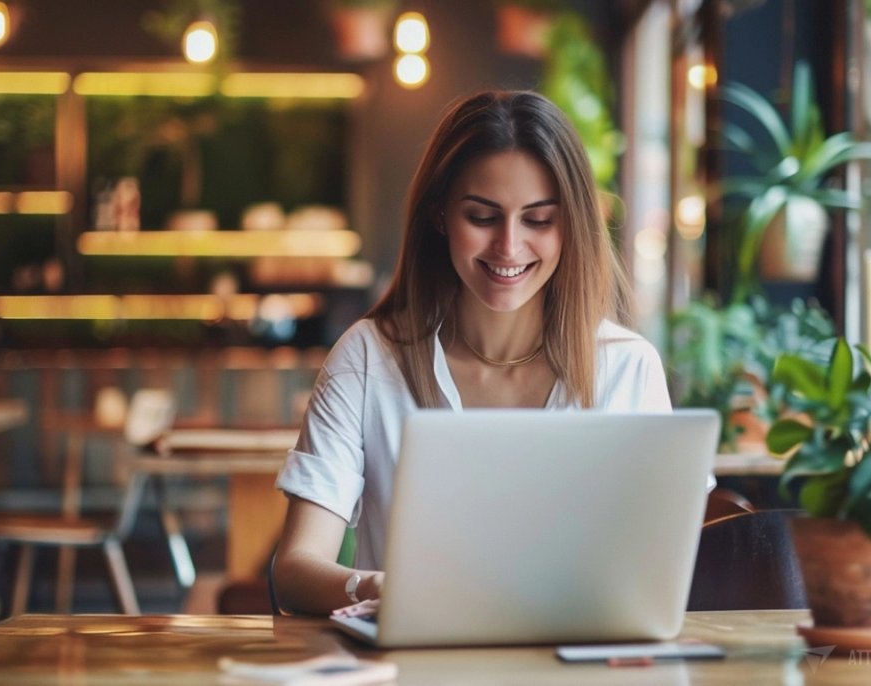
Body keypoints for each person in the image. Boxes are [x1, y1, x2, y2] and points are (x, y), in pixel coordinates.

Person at [273, 90, 672, 616]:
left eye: (538, 220)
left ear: (571, 225)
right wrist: (372, 588)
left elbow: (658, 577)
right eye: (483, 217)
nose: (509, 246)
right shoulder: (369, 358)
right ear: (439, 214)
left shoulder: (628, 368)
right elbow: (295, 569)